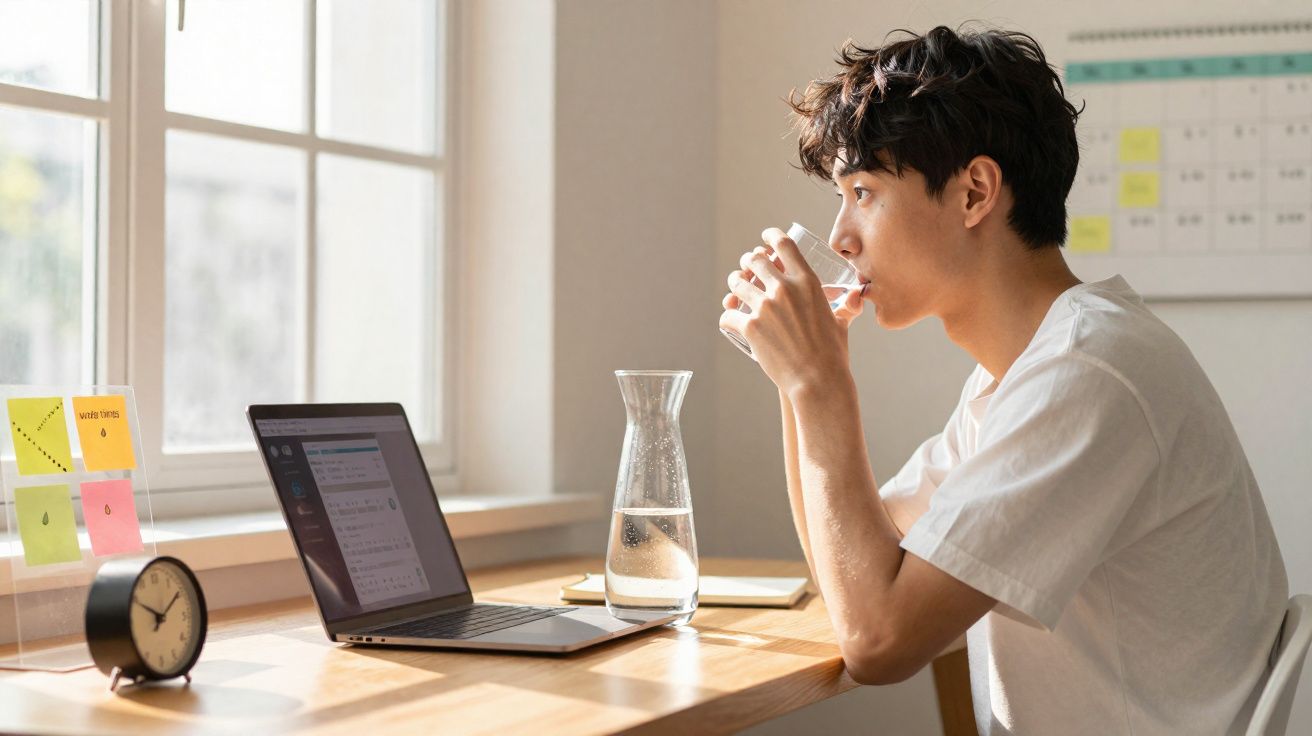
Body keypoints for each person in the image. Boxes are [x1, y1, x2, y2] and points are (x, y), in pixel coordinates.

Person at [718, 25, 1288, 735]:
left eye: (862, 191)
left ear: (974, 193)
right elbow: (857, 566)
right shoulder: (1034, 371)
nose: (839, 236)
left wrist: (816, 384)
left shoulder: (1088, 372)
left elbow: (878, 643)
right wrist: (797, 373)